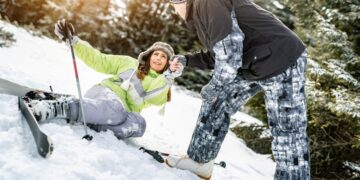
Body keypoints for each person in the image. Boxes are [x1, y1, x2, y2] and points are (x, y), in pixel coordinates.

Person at [166, 0, 310, 179]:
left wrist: (214, 87)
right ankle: (199, 161)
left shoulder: (207, 3)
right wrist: (187, 60)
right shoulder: (201, 14)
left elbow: (229, 56)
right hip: (254, 63)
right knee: (217, 101)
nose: (173, 8)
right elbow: (219, 54)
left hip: (283, 58)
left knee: (287, 129)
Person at [29, 20, 183, 140]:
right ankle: (58, 107)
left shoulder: (162, 84)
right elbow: (99, 60)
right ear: (149, 55)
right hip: (105, 94)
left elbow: (156, 99)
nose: (158, 58)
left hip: (120, 114)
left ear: (167, 64)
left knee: (139, 125)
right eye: (156, 54)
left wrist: (168, 77)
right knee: (116, 110)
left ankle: (90, 118)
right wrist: (74, 41)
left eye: (164, 57)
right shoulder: (129, 63)